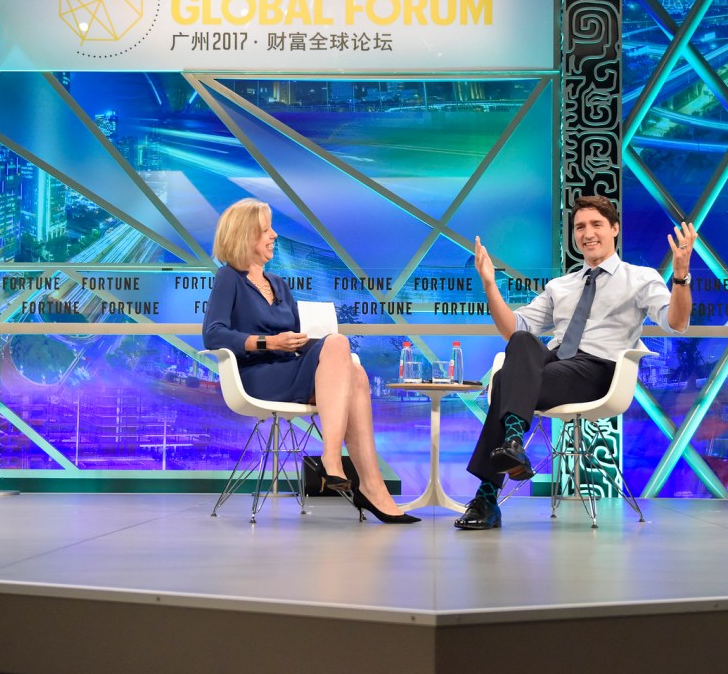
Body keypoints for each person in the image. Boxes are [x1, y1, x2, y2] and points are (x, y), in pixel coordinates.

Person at [456, 195, 697, 529]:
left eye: (596, 224)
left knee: (506, 384)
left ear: (614, 229)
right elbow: (513, 329)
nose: (587, 233)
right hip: (555, 364)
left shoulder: (640, 278)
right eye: (580, 227)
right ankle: (512, 444)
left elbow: (677, 323)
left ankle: (488, 494)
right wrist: (489, 285)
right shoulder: (561, 285)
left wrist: (681, 277)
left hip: (599, 370)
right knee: (523, 341)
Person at [202, 198, 417, 525]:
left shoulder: (280, 285)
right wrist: (268, 342)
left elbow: (295, 334)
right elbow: (214, 333)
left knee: (356, 373)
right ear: (245, 236)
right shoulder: (228, 278)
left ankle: (372, 486)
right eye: (266, 230)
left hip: (290, 367)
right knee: (339, 346)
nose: (274, 235)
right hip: (258, 376)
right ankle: (335, 459)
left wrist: (295, 342)